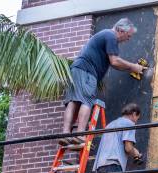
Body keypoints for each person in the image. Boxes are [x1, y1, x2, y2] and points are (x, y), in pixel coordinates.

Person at [59, 18, 147, 146]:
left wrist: (130, 67)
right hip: (88, 72)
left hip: (76, 69)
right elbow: (115, 61)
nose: (128, 39)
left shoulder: (105, 35)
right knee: (86, 101)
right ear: (121, 30)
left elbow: (115, 65)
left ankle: (65, 134)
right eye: (128, 36)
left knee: (73, 101)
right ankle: (80, 135)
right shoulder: (111, 36)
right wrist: (134, 67)